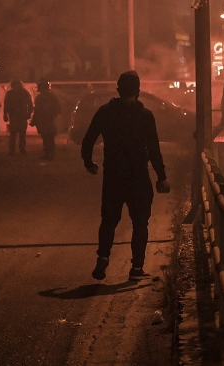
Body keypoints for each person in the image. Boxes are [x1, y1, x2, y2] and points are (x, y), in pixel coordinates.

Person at [82, 70, 172, 282]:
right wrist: (162, 177)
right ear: (138, 91)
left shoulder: (105, 112)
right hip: (138, 176)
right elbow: (154, 150)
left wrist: (88, 162)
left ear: (118, 89)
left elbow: (88, 140)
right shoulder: (145, 116)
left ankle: (103, 256)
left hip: (113, 175)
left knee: (109, 220)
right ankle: (137, 267)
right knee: (140, 223)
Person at [31, 79, 61, 160]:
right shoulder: (53, 96)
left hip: (43, 121)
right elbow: (58, 109)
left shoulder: (40, 98)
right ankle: (51, 154)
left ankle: (48, 154)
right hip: (50, 120)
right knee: (50, 138)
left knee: (46, 138)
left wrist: (33, 121)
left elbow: (37, 110)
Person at [3, 80, 33, 155]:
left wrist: (5, 115)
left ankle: (12, 151)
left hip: (14, 117)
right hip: (21, 116)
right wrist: (29, 113)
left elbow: (6, 105)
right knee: (21, 135)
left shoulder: (10, 93)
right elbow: (30, 104)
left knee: (13, 135)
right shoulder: (24, 93)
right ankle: (21, 150)